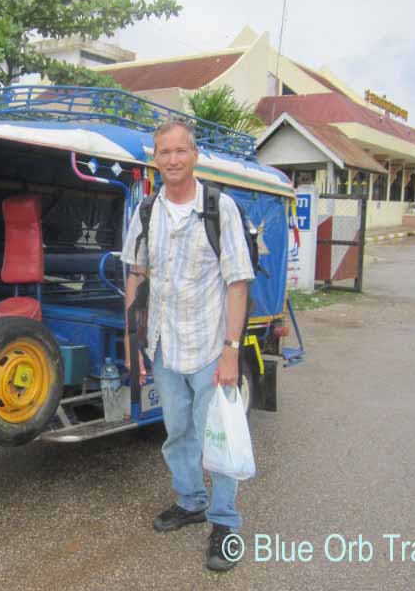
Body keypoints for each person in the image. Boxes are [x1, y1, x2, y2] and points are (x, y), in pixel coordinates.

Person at [121, 118, 254, 572]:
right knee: (178, 433)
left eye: (181, 151)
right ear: (154, 158)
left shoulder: (221, 208)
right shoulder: (146, 212)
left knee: (215, 437)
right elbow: (135, 275)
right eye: (164, 153)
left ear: (194, 155)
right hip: (163, 346)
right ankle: (192, 500)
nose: (173, 160)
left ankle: (224, 520)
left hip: (212, 347)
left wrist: (233, 349)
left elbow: (237, 282)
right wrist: (131, 341)